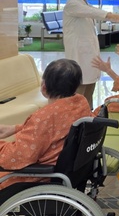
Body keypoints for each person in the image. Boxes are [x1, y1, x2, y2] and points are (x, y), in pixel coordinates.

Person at [0, 59, 91, 190]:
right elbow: (55, 129)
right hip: (69, 169)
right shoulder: (81, 103)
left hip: (38, 177)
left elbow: (17, 157)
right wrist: (15, 128)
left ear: (44, 87)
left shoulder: (45, 117)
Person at [63, 0, 119, 107]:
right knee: (80, 86)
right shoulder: (73, 4)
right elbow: (96, 13)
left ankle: (88, 112)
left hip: (89, 52)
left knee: (90, 85)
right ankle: (77, 115)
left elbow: (94, 11)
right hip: (79, 53)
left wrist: (116, 17)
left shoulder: (86, 4)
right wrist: (114, 16)